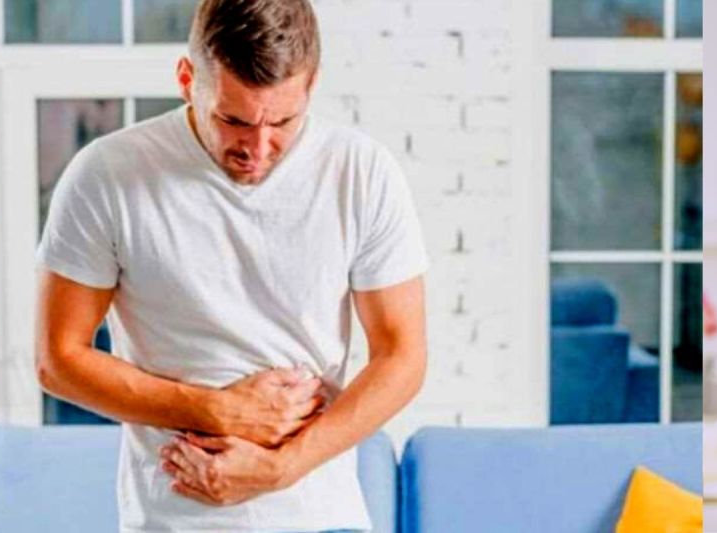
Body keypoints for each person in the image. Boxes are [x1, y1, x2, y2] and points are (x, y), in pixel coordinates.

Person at [34, 0, 428, 531]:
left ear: (312, 84)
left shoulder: (362, 172)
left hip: (320, 515)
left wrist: (283, 467)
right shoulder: (108, 174)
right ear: (186, 79)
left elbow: (402, 356)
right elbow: (57, 360)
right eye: (233, 120)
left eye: (283, 121)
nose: (258, 148)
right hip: (172, 520)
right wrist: (215, 410)